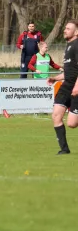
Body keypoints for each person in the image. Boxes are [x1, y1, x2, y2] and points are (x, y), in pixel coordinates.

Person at [46, 20, 78, 155]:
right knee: (56, 115)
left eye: (68, 28)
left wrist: (77, 86)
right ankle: (64, 149)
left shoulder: (77, 45)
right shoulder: (68, 46)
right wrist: (55, 78)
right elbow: (68, 71)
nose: (65, 30)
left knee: (72, 124)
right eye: (65, 28)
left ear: (76, 32)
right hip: (66, 86)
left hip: (76, 86)